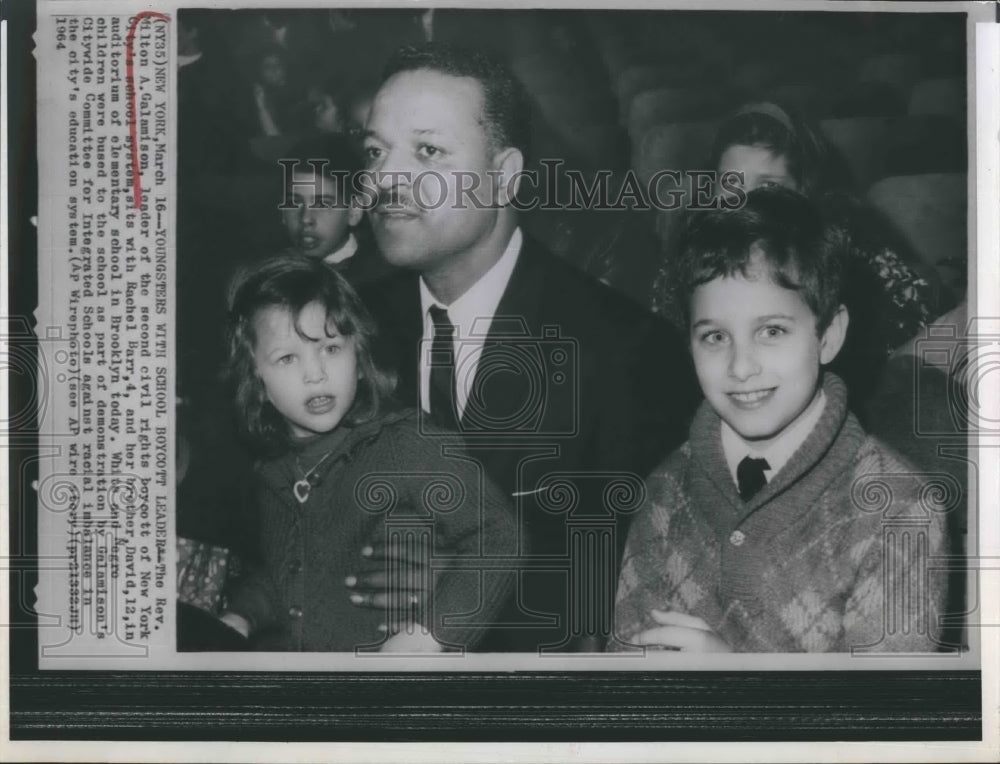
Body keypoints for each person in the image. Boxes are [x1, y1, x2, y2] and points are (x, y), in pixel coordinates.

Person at [353, 43, 698, 651]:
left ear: (505, 175)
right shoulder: (345, 325)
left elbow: (612, 597)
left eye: (427, 152)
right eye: (376, 152)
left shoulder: (629, 354)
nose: (386, 179)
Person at [613, 188, 953, 653]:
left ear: (829, 336)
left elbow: (886, 717)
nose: (740, 366)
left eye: (771, 331)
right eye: (714, 337)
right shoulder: (664, 491)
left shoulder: (902, 511)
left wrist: (736, 686)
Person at [216, 254, 516, 652]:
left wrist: (430, 635)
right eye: (288, 358)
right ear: (256, 380)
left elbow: (500, 537)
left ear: (359, 358)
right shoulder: (274, 470)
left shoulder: (406, 442)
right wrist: (241, 615)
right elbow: (293, 576)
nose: (315, 373)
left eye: (331, 348)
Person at [656, 101, 937, 414]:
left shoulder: (852, 255)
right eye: (730, 184)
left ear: (803, 190)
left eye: (768, 186)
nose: (746, 202)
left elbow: (911, 346)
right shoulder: (692, 257)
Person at [278, 134, 393, 287]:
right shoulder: (275, 273)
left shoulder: (382, 280)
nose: (306, 218)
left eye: (322, 204)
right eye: (294, 203)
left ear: (354, 212)